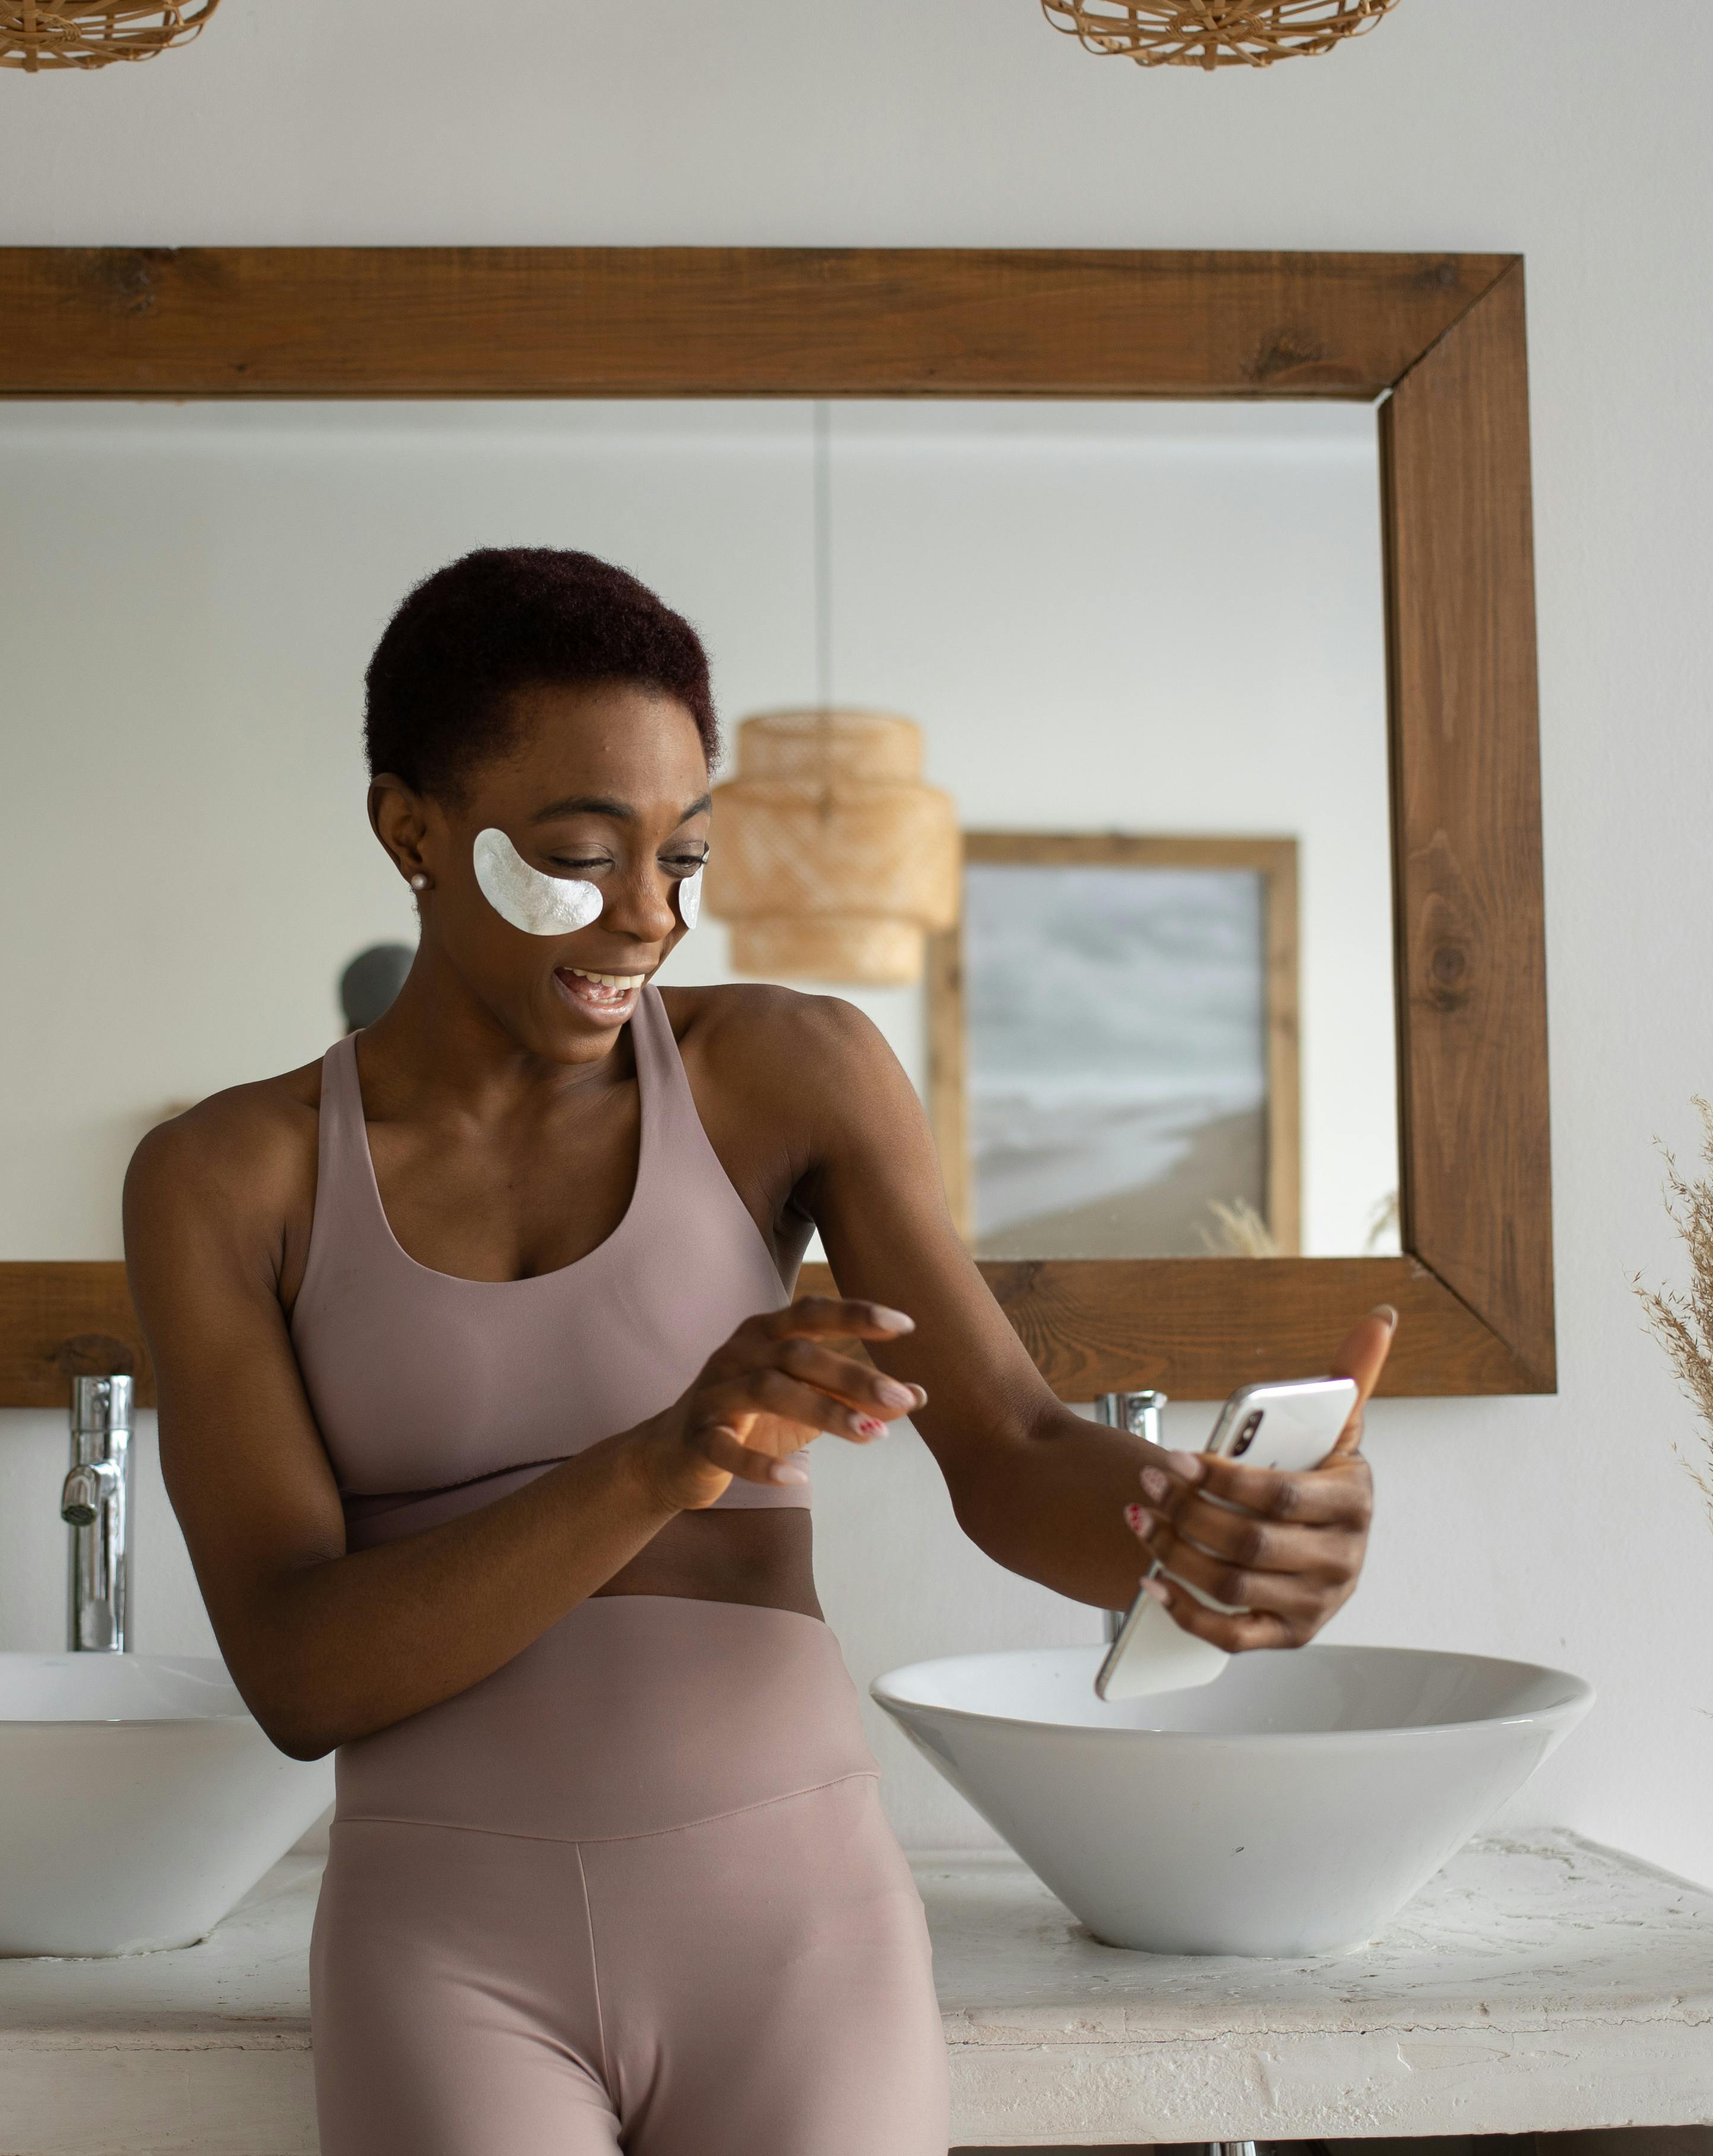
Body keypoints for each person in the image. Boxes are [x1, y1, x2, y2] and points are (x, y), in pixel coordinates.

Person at [125, 547, 1390, 2156]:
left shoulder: (788, 1075)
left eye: (685, 857)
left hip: (795, 1931)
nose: (646, 915)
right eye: (579, 859)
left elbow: (1013, 1451)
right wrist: (674, 1451)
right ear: (411, 832)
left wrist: (1201, 1532)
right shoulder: (230, 1178)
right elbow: (302, 1674)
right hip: (444, 1946)